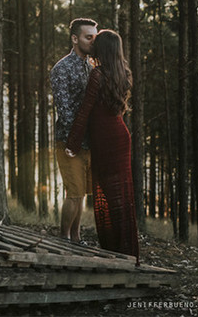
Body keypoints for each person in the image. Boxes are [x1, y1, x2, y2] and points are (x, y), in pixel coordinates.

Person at [65, 29, 139, 260]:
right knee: (121, 197)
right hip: (119, 138)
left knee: (107, 195)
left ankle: (116, 252)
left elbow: (85, 111)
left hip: (106, 142)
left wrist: (72, 143)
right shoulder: (122, 73)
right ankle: (123, 251)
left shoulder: (97, 75)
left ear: (103, 49)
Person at [49, 17, 97, 243]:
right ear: (75, 38)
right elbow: (65, 111)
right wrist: (76, 140)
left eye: (95, 37)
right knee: (74, 192)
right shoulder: (62, 69)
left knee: (82, 195)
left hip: (90, 142)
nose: (92, 41)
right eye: (89, 37)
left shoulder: (91, 68)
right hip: (68, 142)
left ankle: (76, 238)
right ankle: (63, 238)